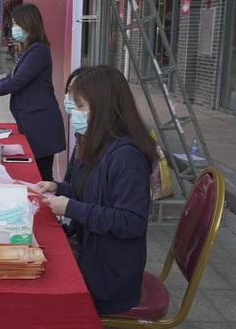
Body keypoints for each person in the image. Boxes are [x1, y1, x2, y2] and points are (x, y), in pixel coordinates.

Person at [38, 65, 158, 315]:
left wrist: (72, 208)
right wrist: (57, 187)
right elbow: (88, 191)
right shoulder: (92, 142)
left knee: (43, 287)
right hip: (88, 247)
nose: (73, 113)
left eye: (81, 106)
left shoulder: (126, 157)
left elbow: (131, 221)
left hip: (109, 272)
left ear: (105, 109)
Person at [0, 3, 65, 181]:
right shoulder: (29, 51)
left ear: (29, 24)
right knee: (37, 174)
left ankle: (49, 207)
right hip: (33, 121)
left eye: (17, 24)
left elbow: (17, 81)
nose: (14, 28)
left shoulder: (39, 50)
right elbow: (11, 76)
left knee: (42, 176)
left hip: (41, 124)